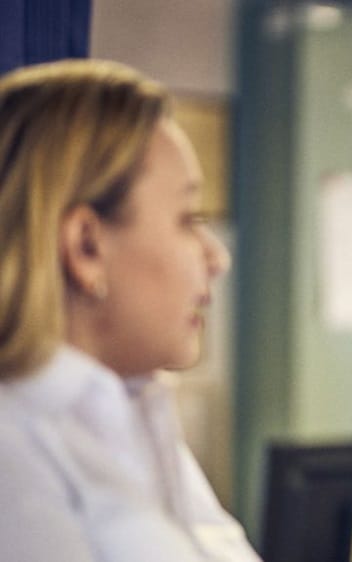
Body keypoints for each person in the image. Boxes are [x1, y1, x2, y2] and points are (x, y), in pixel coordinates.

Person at [0, 60, 260, 561]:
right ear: (86, 247)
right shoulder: (14, 456)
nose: (217, 257)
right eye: (188, 219)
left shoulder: (133, 413)